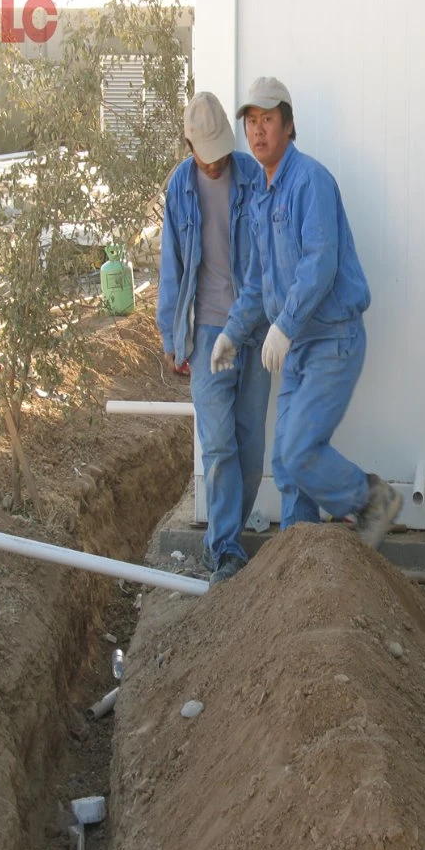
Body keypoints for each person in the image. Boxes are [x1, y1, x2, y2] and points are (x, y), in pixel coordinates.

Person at [210, 76, 401, 548]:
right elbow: (256, 282)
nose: (257, 132)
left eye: (268, 121)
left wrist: (285, 326)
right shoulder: (262, 195)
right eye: (251, 122)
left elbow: (320, 262)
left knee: (296, 451)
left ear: (289, 126)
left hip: (331, 340)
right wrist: (233, 332)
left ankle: (372, 499)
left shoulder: (310, 181)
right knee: (287, 464)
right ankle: (302, 556)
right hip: (296, 347)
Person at [156, 91, 271, 585]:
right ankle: (223, 548)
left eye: (224, 150)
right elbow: (171, 266)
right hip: (207, 332)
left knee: (249, 444)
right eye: (209, 154)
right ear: (190, 145)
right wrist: (170, 333)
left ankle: (232, 538)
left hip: (255, 325)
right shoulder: (179, 187)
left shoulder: (252, 176)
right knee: (219, 443)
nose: (219, 161)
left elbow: (271, 253)